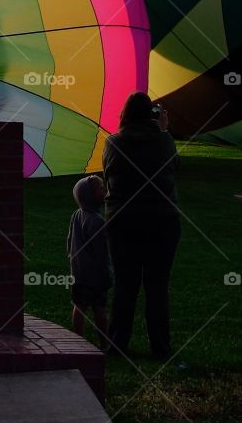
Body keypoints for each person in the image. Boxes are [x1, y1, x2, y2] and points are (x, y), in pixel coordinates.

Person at [103, 92, 180, 360]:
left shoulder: (114, 142)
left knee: (125, 286)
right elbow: (176, 167)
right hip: (163, 222)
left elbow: (108, 175)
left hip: (123, 221)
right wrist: (164, 129)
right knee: (157, 286)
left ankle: (117, 344)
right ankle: (161, 347)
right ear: (152, 115)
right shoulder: (164, 140)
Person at [67, 175, 113, 350]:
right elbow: (101, 253)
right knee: (99, 309)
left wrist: (70, 256)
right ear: (89, 195)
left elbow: (69, 239)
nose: (105, 191)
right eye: (101, 189)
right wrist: (107, 273)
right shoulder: (97, 221)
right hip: (95, 276)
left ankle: (79, 341)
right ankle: (104, 343)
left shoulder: (77, 215)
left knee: (79, 306)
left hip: (78, 273)